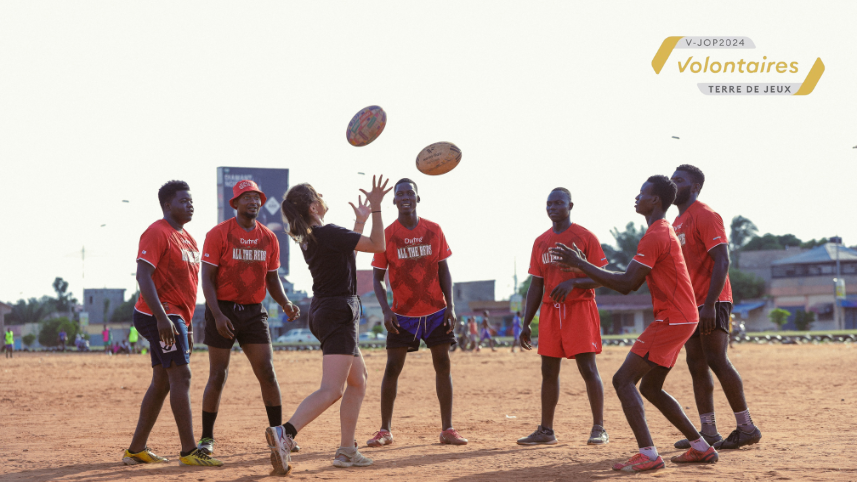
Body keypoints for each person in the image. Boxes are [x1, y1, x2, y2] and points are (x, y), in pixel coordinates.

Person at [549, 176, 718, 472]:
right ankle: (701, 447)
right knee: (651, 388)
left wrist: (581, 265)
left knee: (622, 380)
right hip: (682, 317)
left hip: (673, 319)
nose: (637, 197)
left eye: (642, 193)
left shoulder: (656, 234)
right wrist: (581, 272)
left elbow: (628, 283)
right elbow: (630, 279)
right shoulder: (660, 232)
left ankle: (649, 454)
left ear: (655, 201)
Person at [265, 176, 391, 475]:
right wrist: (375, 209)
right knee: (332, 389)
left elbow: (348, 254)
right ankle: (286, 433)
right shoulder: (329, 232)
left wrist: (358, 223)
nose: (323, 197)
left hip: (327, 310)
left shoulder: (316, 236)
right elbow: (378, 246)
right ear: (313, 205)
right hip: (338, 311)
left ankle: (347, 450)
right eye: (319, 195)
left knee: (358, 380)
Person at [197, 180, 300, 458]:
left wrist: (286, 302)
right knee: (218, 375)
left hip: (255, 312)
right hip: (223, 311)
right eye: (247, 197)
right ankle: (206, 438)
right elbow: (205, 278)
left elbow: (272, 278)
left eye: (257, 197)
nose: (253, 202)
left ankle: (279, 436)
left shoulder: (269, 238)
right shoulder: (218, 234)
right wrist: (217, 314)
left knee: (267, 372)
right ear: (235, 203)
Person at [123, 180, 222, 467]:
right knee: (183, 377)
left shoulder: (188, 238)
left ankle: (136, 450)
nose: (190, 205)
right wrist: (163, 319)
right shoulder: (157, 232)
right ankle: (190, 451)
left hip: (176, 317)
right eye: (183, 201)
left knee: (163, 381)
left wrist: (187, 327)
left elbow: (187, 287)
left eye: (191, 201)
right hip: (159, 315)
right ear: (167, 204)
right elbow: (143, 277)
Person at [365, 178, 467, 449]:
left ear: (418, 198)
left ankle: (447, 429)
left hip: (436, 311)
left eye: (410, 192)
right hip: (402, 315)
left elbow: (444, 270)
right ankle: (385, 430)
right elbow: (377, 278)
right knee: (392, 369)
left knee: (443, 366)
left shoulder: (434, 230)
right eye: (401, 194)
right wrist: (386, 310)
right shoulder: (386, 235)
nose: (406, 196)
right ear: (395, 201)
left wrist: (451, 306)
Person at [670, 165, 761, 450]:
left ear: (695, 186)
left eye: (679, 180)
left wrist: (709, 304)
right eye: (672, 179)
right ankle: (708, 431)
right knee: (695, 363)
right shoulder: (677, 222)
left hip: (713, 300)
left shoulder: (706, 215)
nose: (673, 184)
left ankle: (746, 427)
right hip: (690, 304)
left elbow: (722, 260)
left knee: (716, 359)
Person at [517, 187, 609, 447]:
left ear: (570, 205)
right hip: (549, 312)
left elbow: (604, 277)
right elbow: (536, 284)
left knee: (588, 368)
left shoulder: (584, 236)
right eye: (549, 203)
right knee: (548, 371)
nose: (553, 207)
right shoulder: (540, 241)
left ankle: (599, 428)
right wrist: (526, 322)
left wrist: (575, 283)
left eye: (558, 202)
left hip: (579, 309)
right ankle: (546, 431)